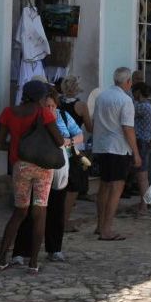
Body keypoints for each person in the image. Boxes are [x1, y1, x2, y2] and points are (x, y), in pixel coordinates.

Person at [0, 80, 64, 273]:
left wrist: (19, 147)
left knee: (18, 213)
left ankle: (0, 260)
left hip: (20, 166)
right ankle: (33, 263)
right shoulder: (44, 113)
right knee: (39, 213)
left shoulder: (8, 112)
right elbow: (59, 140)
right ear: (41, 97)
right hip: (42, 167)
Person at [13, 88, 83, 263]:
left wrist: (71, 142)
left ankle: (54, 249)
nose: (50, 109)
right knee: (30, 211)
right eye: (47, 105)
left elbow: (79, 134)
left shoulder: (63, 116)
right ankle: (22, 251)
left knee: (56, 210)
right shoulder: (36, 117)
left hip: (59, 167)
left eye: (53, 105)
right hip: (37, 168)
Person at [92, 67, 141, 241]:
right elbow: (128, 128)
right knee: (116, 188)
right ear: (128, 82)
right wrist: (136, 153)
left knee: (104, 186)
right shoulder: (125, 100)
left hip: (101, 146)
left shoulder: (101, 96)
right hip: (118, 148)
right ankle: (106, 229)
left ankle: (100, 225)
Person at [59, 75, 93, 232]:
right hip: (75, 148)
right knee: (73, 187)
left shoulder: (57, 103)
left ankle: (57, 219)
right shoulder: (81, 106)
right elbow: (89, 127)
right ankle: (64, 222)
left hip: (58, 145)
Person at [131, 82, 151, 215]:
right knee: (142, 175)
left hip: (141, 142)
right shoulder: (146, 106)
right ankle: (144, 203)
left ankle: (144, 205)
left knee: (142, 176)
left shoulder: (142, 107)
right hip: (143, 141)